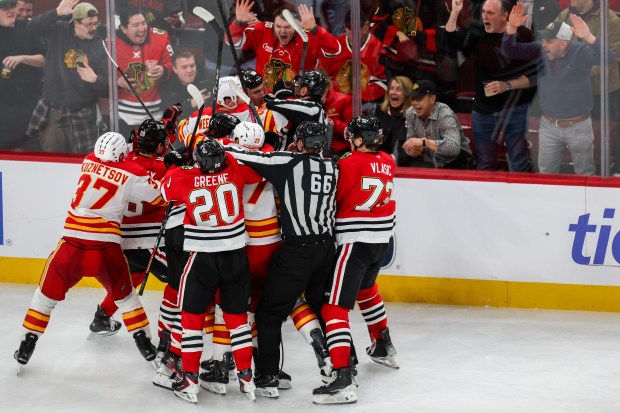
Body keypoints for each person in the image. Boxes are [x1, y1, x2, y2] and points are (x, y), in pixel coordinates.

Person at [13, 132, 164, 374]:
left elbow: (111, 163)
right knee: (126, 299)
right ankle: (144, 344)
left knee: (44, 298)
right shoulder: (132, 173)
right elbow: (159, 198)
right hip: (106, 246)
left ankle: (26, 344)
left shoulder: (88, 160)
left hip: (71, 244)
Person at [226, 121, 338, 400]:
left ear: (299, 143)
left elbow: (248, 156)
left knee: (268, 313)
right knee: (314, 306)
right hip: (326, 250)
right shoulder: (334, 166)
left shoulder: (288, 162)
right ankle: (338, 361)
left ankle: (268, 376)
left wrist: (219, 144)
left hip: (295, 251)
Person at [160, 139, 260, 404]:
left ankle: (190, 380)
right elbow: (251, 168)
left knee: (192, 320)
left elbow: (165, 189)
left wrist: (176, 162)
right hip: (236, 257)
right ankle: (247, 379)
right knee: (238, 320)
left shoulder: (186, 178)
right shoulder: (235, 171)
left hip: (201, 258)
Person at [313, 116, 397, 405]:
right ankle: (383, 344)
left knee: (333, 307)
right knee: (366, 289)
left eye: (353, 137)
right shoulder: (389, 159)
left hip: (355, 241)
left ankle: (342, 376)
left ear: (360, 139)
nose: (349, 140)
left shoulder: (346, 163)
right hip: (380, 241)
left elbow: (333, 197)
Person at [502, 7, 616, 175]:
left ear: (563, 43)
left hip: (578, 126)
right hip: (549, 126)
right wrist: (511, 29)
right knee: (546, 174)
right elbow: (510, 50)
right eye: (543, 39)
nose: (544, 44)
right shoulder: (541, 49)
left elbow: (609, 58)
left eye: (549, 41)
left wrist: (589, 37)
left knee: (586, 174)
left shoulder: (580, 51)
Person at [87, 118, 171, 338]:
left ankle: (102, 317)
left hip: (122, 237)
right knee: (182, 279)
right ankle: (181, 330)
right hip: (151, 240)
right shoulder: (165, 167)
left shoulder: (125, 161)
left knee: (132, 276)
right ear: (160, 146)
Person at [445, 0, 537, 172]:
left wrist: (507, 85)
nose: (484, 17)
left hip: (514, 110)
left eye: (490, 13)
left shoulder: (523, 35)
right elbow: (450, 45)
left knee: (518, 163)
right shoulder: (475, 32)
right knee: (485, 163)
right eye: (483, 12)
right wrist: (455, 13)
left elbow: (533, 77)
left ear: (504, 16)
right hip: (483, 109)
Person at [26, 0, 108, 153]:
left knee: (84, 162)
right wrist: (56, 12)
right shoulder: (60, 31)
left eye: (96, 23)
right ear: (76, 23)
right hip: (54, 110)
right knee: (51, 160)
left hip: (83, 113)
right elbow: (31, 29)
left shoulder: (101, 44)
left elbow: (109, 88)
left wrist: (95, 80)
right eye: (89, 24)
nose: (94, 28)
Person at [556, 0, 620, 174]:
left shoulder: (611, 21)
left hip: (602, 93)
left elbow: (611, 58)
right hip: (572, 93)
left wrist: (578, 73)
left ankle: (606, 173)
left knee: (602, 138)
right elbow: (553, 46)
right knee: (576, 138)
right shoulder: (564, 16)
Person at [229, 1, 341, 92]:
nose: (282, 31)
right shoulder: (264, 30)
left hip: (297, 100)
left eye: (287, 27)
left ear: (297, 25)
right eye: (278, 26)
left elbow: (334, 51)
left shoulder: (308, 37)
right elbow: (232, 42)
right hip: (264, 99)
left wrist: (315, 29)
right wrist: (238, 23)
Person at [115, 6, 173, 137]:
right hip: (123, 118)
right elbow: (102, 77)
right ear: (124, 29)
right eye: (135, 25)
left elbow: (171, 65)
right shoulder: (111, 43)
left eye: (143, 23)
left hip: (155, 116)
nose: (142, 29)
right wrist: (117, 82)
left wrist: (163, 70)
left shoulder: (161, 37)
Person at [318, 9, 386, 113]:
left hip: (364, 104)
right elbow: (323, 74)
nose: (352, 33)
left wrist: (355, 98)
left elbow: (381, 84)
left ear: (366, 26)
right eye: (349, 28)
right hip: (336, 102)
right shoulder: (335, 45)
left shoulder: (378, 49)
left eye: (356, 28)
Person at [0, 0, 45, 150]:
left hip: (29, 104)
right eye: (4, 8)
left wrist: (22, 58)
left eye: (12, 6)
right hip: (3, 107)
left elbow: (43, 60)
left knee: (32, 151)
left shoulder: (27, 27)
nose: (10, 11)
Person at [402, 80, 475, 169]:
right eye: (412, 98)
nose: (414, 103)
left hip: (457, 162)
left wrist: (424, 142)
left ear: (432, 99)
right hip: (429, 163)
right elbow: (410, 141)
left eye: (419, 98)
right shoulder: (410, 112)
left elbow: (453, 148)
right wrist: (414, 150)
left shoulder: (445, 114)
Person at [265, 69, 328, 149]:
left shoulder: (311, 108)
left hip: (306, 159)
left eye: (300, 86)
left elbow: (272, 104)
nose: (297, 88)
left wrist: (273, 98)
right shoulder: (321, 111)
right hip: (315, 157)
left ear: (304, 91)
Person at [160, 50, 211, 120]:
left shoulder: (206, 78)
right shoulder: (168, 86)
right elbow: (167, 114)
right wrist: (190, 104)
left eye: (192, 66)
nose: (189, 70)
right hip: (180, 125)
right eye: (184, 67)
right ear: (175, 69)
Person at [315, 67, 353, 157]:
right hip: (313, 152)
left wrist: (333, 124)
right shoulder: (308, 103)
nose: (317, 92)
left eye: (320, 88)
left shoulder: (344, 100)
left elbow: (353, 132)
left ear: (327, 85)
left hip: (337, 154)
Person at [375, 75, 412, 158]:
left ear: (407, 94)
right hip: (380, 162)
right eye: (391, 88)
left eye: (398, 89)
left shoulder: (413, 115)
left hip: (403, 165)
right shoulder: (380, 110)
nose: (393, 92)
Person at [114, 0, 185, 44]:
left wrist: (177, 23)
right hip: (132, 42)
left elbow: (180, 22)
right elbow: (116, 20)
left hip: (161, 42)